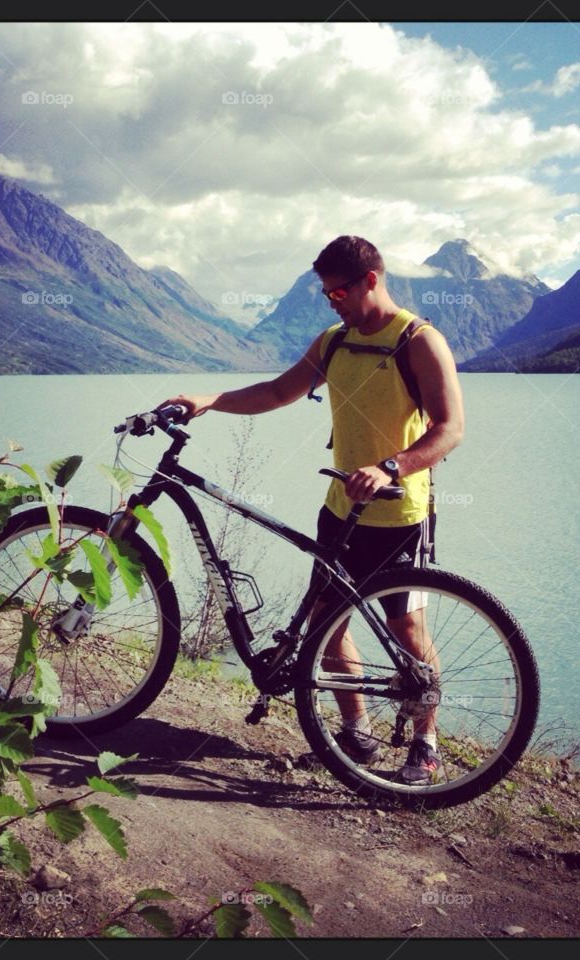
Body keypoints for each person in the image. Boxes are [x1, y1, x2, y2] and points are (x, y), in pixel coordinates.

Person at [165, 235, 465, 785]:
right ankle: (356, 733)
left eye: (341, 291)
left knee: (407, 633)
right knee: (326, 628)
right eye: (327, 293)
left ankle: (425, 742)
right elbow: (279, 391)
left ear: (372, 279)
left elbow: (451, 431)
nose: (333, 301)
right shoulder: (334, 342)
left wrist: (391, 468)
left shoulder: (420, 341)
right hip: (340, 510)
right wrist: (212, 400)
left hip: (400, 514)